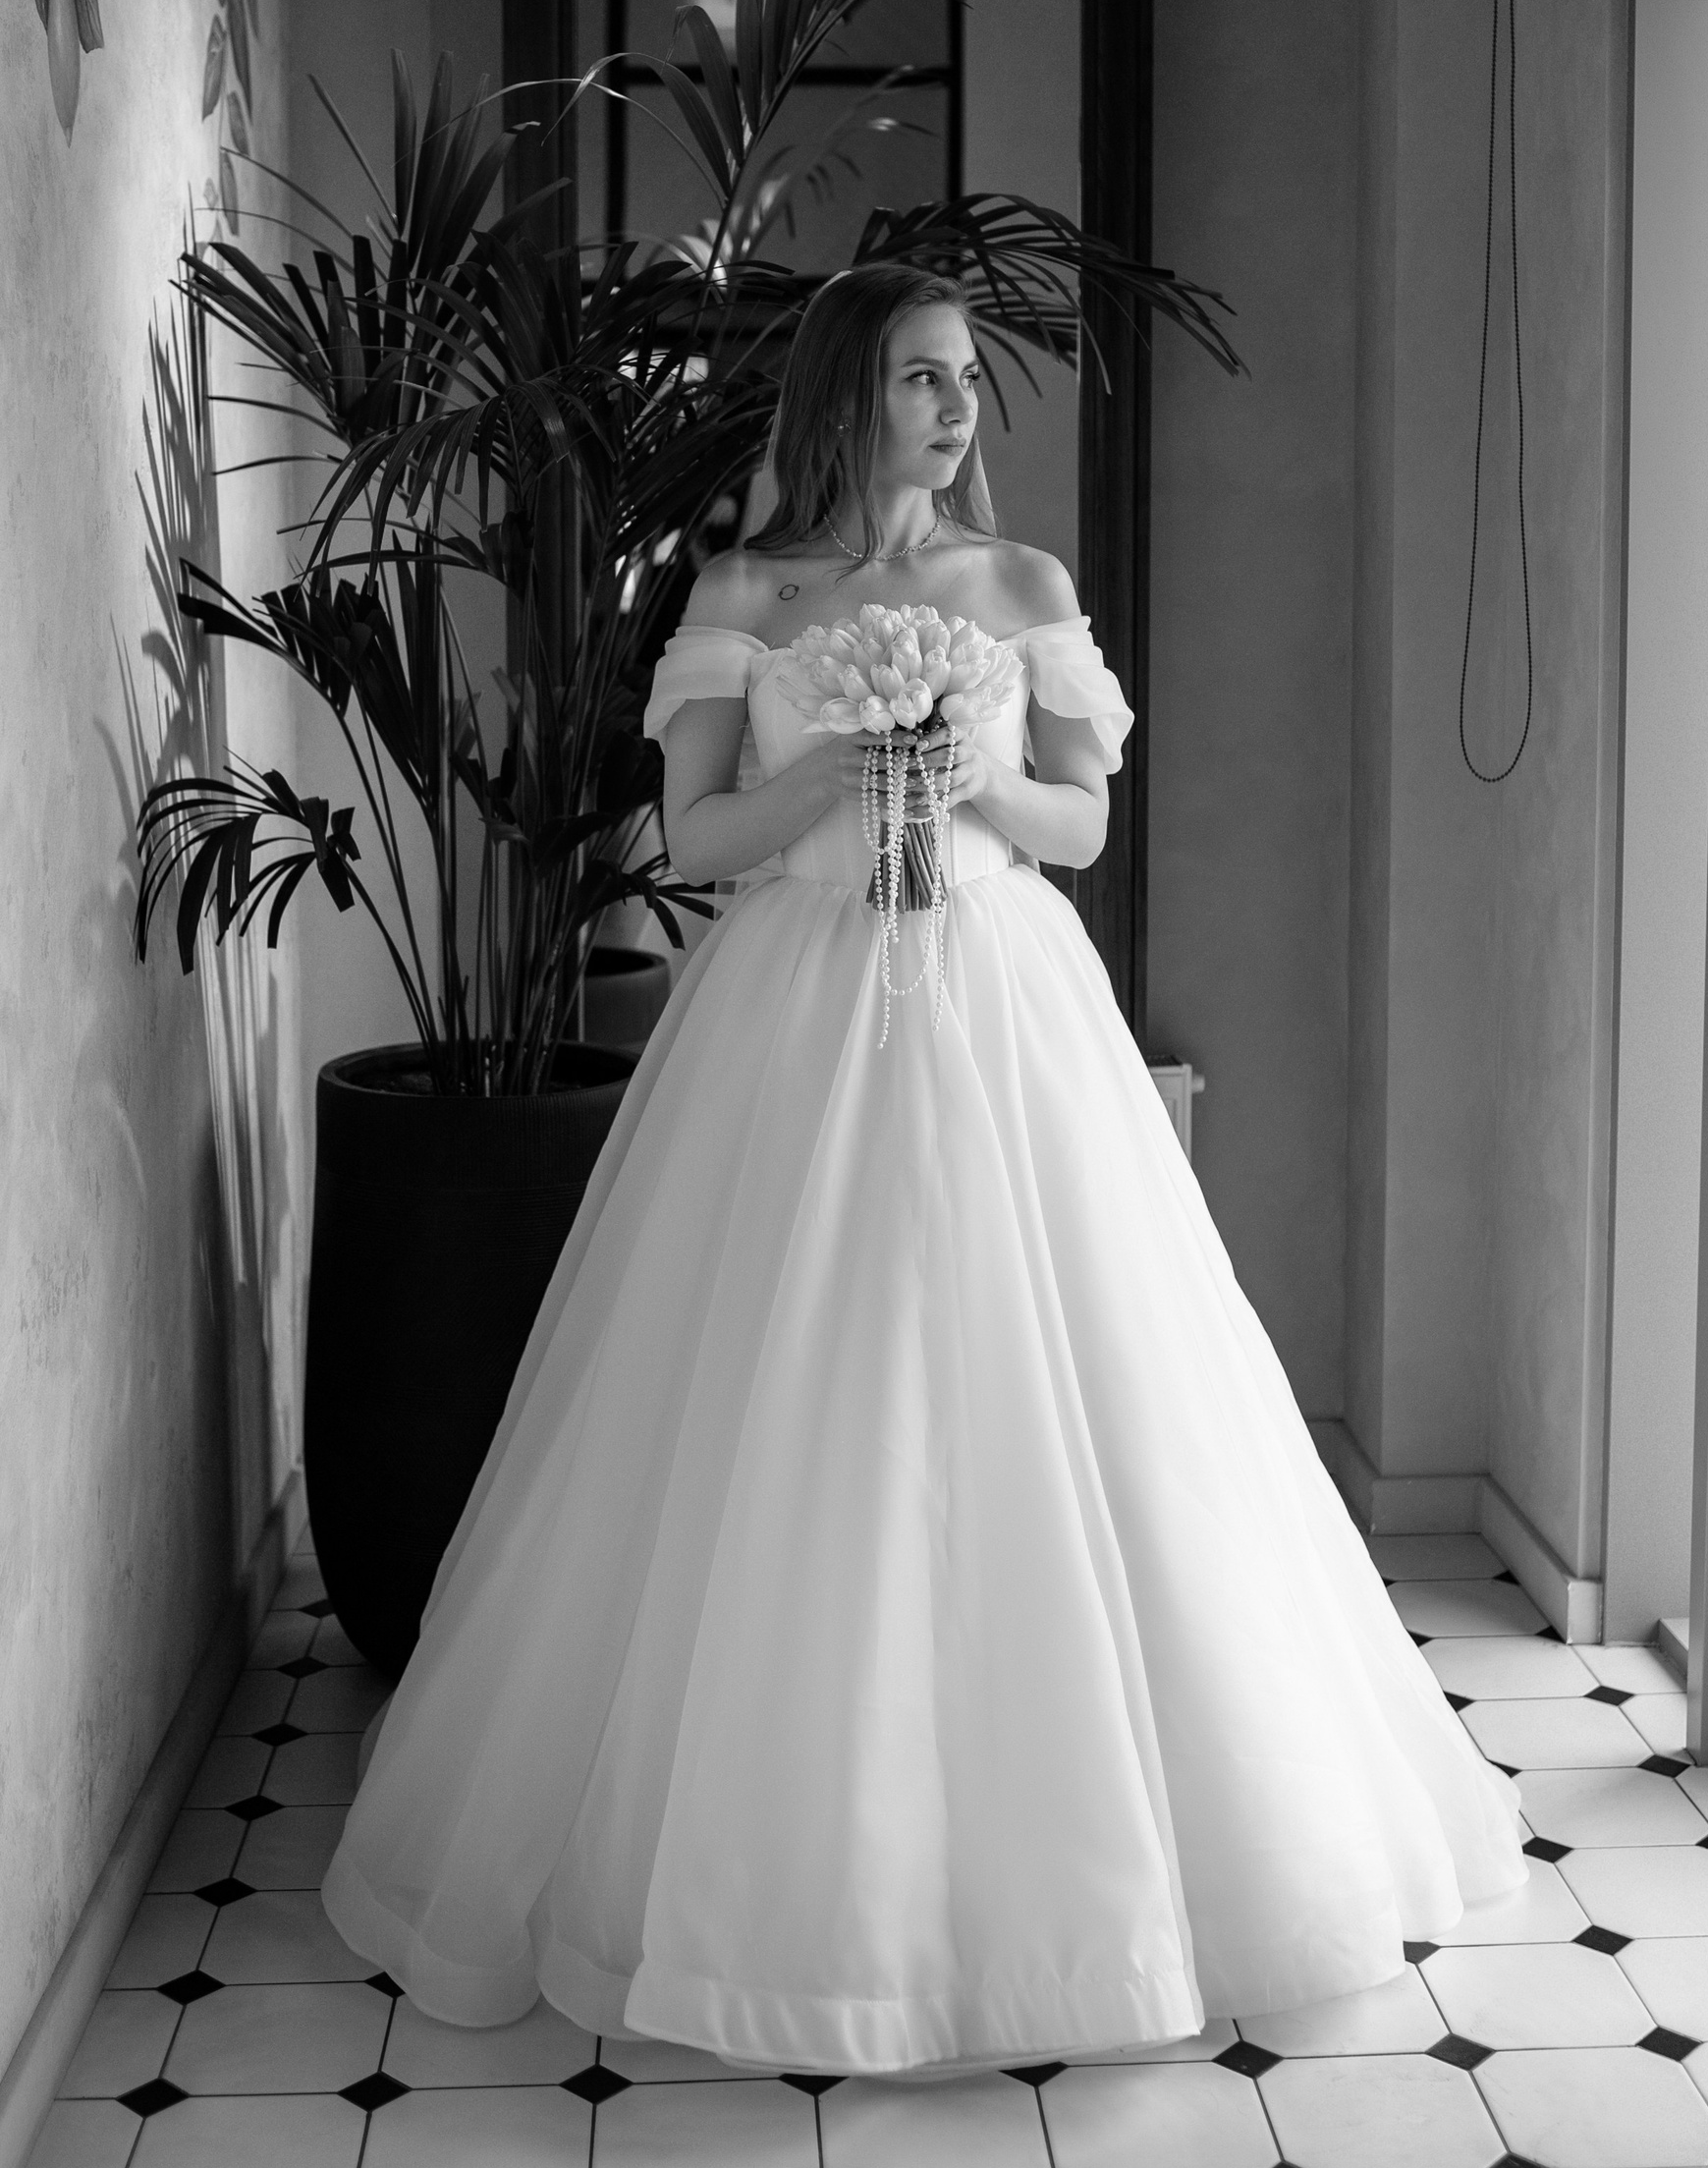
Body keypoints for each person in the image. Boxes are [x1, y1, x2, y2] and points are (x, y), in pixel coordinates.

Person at [321, 262, 1524, 2074]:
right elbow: (697, 834)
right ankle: (795, 1887)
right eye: (920, 379)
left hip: (1000, 995)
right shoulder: (745, 593)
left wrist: (962, 784)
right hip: (793, 1008)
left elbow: (1083, 825)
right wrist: (843, 776)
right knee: (794, 1392)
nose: (959, 411)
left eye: (965, 380)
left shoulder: (1018, 587)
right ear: (842, 395)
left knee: (1062, 1384)